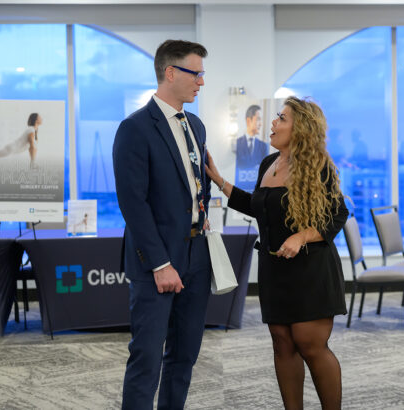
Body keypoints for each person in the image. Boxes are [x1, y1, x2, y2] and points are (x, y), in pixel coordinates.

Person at [206, 96, 348, 409]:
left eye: (281, 118)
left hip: (311, 270)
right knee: (283, 345)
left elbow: (337, 215)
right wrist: (220, 181)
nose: (273, 123)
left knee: (311, 346)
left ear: (300, 129)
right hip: (274, 269)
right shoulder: (268, 164)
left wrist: (301, 236)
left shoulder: (317, 166)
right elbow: (258, 207)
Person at [112, 40, 212, 410]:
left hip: (196, 256)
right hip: (157, 262)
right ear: (170, 73)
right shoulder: (135, 128)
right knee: (147, 359)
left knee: (184, 356)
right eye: (195, 73)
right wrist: (160, 263)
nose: (201, 81)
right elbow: (132, 204)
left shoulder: (196, 126)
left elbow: (193, 186)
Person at [234, 104, 269, 191]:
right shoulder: (237, 143)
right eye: (258, 119)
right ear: (249, 121)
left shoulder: (263, 146)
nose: (260, 124)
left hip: (258, 190)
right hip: (240, 189)